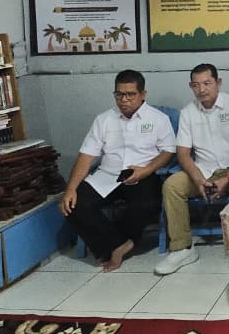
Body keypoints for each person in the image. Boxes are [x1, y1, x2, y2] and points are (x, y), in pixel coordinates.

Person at [59, 70, 176, 272]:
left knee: (147, 203)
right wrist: (70, 189)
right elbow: (86, 156)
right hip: (107, 175)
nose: (124, 100)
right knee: (73, 204)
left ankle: (114, 244)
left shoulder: (159, 119)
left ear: (143, 94)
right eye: (119, 94)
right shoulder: (104, 120)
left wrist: (147, 170)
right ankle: (119, 244)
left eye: (130, 94)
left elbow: (168, 151)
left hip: (142, 174)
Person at [155, 63, 229, 275]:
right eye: (196, 85)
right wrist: (198, 179)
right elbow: (183, 153)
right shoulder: (188, 113)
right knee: (172, 185)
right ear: (191, 87)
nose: (201, 89)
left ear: (218, 83)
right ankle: (182, 249)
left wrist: (228, 177)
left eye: (207, 83)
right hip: (204, 171)